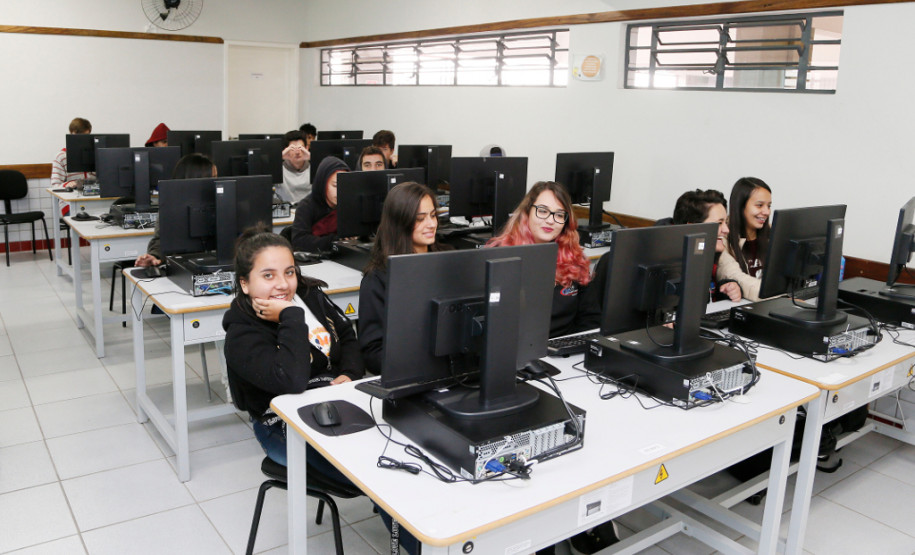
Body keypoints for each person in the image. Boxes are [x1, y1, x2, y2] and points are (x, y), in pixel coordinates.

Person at [222, 225, 363, 476]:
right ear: (244, 283)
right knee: (363, 474)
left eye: (289, 272)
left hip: (334, 402)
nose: (283, 285)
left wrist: (350, 373)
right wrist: (290, 316)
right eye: (268, 276)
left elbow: (347, 336)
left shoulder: (310, 296)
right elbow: (292, 380)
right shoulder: (242, 332)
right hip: (280, 425)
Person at [359, 182, 449, 375]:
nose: (432, 224)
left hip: (450, 367)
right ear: (400, 222)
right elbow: (373, 352)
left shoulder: (448, 261)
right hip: (410, 372)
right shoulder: (378, 278)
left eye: (433, 215)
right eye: (420, 219)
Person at [487, 181, 596, 337]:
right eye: (543, 211)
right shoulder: (499, 257)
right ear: (527, 212)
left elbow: (590, 319)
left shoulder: (575, 259)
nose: (550, 220)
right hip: (516, 352)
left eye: (559, 215)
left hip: (563, 354)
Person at [134, 153, 216, 268]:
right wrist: (155, 256)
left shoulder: (224, 203)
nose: (217, 182)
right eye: (212, 177)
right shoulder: (171, 206)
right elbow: (160, 240)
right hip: (183, 267)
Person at [671, 189, 742, 302]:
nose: (726, 230)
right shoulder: (670, 268)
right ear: (692, 228)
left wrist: (726, 289)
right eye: (719, 223)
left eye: (725, 223)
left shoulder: (708, 258)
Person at [717, 177, 772, 301]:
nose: (766, 212)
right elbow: (735, 276)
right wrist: (782, 296)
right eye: (759, 205)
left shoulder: (772, 233)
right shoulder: (723, 238)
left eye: (769, 206)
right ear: (741, 207)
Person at [289, 156, 348, 253]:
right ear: (323, 183)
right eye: (335, 185)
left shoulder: (348, 205)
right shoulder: (306, 206)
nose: (340, 191)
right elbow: (299, 241)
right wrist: (334, 240)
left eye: (345, 185)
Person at [50, 117, 93, 205]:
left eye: (85, 136)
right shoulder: (61, 157)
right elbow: (55, 185)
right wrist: (69, 184)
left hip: (92, 198)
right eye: (78, 136)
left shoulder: (94, 154)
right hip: (69, 202)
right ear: (71, 134)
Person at [277, 129, 311, 204]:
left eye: (300, 148)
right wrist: (279, 158)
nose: (297, 152)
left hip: (310, 210)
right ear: (286, 150)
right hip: (286, 211)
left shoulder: (315, 167)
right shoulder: (278, 169)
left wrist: (312, 158)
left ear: (307, 148)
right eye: (292, 149)